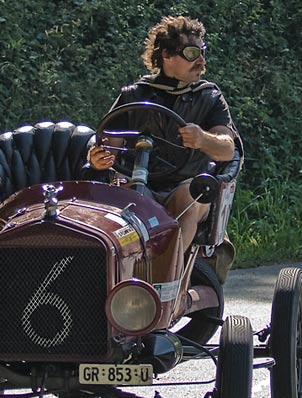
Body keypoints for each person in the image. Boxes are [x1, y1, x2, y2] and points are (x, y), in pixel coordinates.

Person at [87, 15, 242, 257]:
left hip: (187, 185)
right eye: (191, 54)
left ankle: (169, 281)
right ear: (166, 56)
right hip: (138, 184)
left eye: (202, 52)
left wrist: (202, 139)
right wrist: (99, 158)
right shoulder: (134, 95)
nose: (201, 61)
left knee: (188, 198)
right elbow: (109, 146)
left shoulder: (209, 97)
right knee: (122, 200)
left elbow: (227, 149)